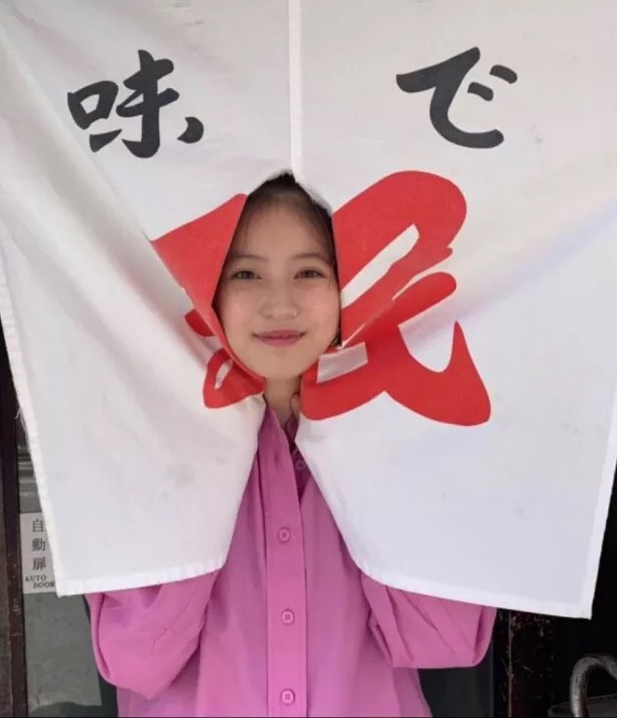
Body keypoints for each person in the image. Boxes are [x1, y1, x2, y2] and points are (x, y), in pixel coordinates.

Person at [85, 174, 496, 717]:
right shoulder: (154, 436)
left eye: (309, 272)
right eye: (246, 274)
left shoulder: (397, 428)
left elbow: (445, 640)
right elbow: (133, 656)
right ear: (206, 290)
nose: (280, 305)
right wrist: (215, 459)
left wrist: (353, 450)